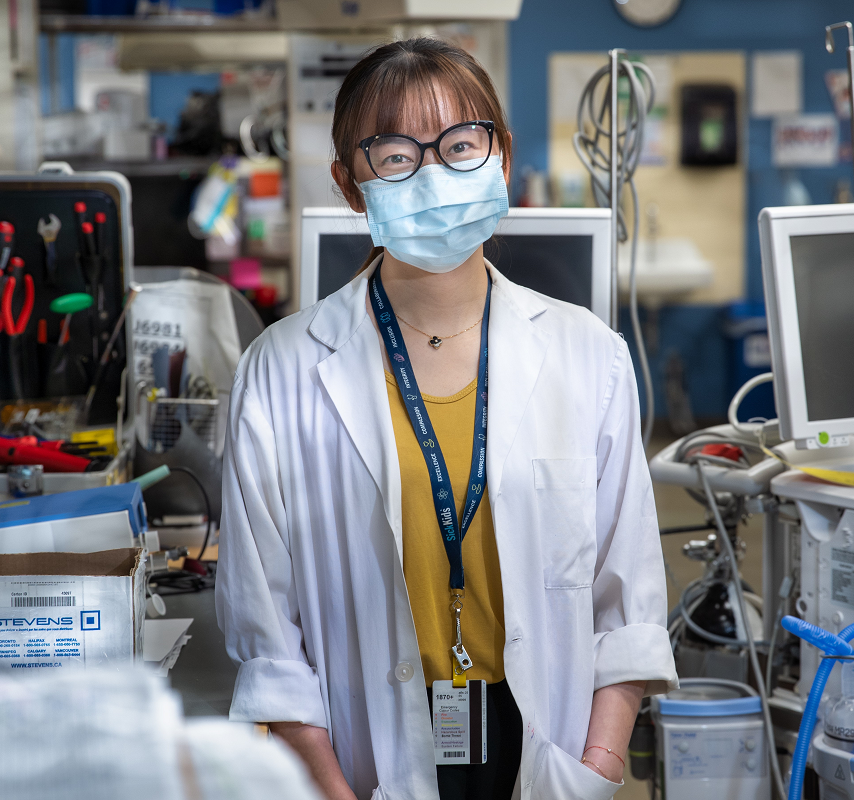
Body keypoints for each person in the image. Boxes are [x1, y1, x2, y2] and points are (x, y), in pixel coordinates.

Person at [216, 38, 676, 800]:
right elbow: (267, 631)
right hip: (365, 753)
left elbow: (625, 595)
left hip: (543, 744)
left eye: (462, 145)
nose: (435, 176)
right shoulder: (282, 369)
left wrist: (599, 766)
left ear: (501, 157)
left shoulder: (586, 355)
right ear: (349, 183)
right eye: (396, 156)